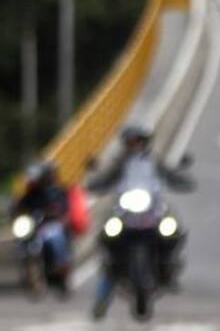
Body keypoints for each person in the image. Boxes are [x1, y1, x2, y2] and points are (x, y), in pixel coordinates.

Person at [87, 124, 195, 319]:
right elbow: (103, 180)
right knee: (107, 242)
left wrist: (183, 181)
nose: (133, 145)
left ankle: (169, 267)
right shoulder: (118, 165)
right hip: (125, 213)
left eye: (136, 141)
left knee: (172, 230)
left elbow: (171, 176)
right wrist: (94, 183)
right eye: (129, 142)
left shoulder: (154, 163)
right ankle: (101, 301)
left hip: (151, 211)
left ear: (144, 143)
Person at [11, 161, 73, 287]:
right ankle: (27, 271)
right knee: (20, 241)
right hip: (33, 227)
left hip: (49, 225)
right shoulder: (30, 193)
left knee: (56, 239)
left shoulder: (54, 191)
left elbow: (60, 207)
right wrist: (14, 211)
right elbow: (20, 206)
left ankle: (61, 266)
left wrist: (53, 213)